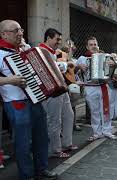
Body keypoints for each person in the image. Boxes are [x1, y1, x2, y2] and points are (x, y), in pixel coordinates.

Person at [0, 19, 57, 180]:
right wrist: (10, 80)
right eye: (15, 31)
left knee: (41, 137)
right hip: (15, 102)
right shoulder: (0, 53)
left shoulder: (25, 49)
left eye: (21, 30)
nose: (20, 33)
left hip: (35, 99)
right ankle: (26, 175)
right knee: (23, 142)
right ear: (4, 34)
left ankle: (42, 169)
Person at [40, 28, 78, 159]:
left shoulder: (53, 52)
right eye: (57, 39)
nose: (59, 42)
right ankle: (55, 149)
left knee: (69, 114)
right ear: (48, 38)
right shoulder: (41, 51)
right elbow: (48, 69)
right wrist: (66, 65)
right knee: (54, 120)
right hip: (52, 91)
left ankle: (67, 143)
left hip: (61, 88)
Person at [76, 36, 117, 141]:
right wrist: (79, 67)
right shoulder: (82, 58)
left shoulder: (106, 56)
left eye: (95, 44)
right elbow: (75, 69)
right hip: (90, 87)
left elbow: (116, 65)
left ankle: (107, 131)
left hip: (103, 86)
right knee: (94, 111)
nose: (93, 46)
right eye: (91, 44)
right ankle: (97, 132)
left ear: (98, 45)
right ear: (87, 46)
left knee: (106, 110)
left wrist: (114, 63)